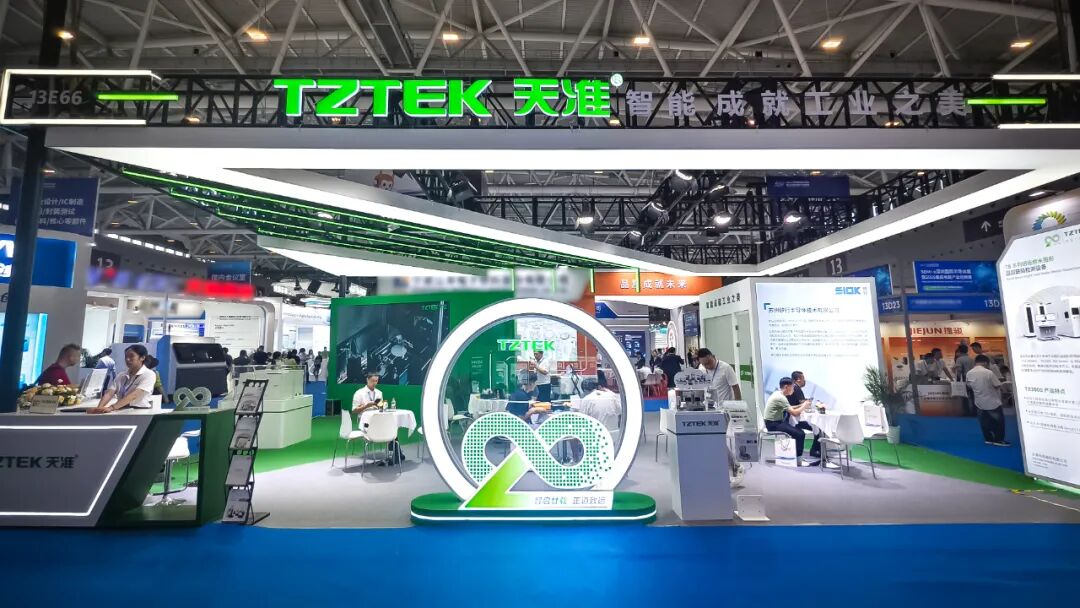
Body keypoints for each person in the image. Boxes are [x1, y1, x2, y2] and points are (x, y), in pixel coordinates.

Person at [763, 377, 820, 466]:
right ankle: (798, 461)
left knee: (797, 430)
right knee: (800, 433)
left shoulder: (778, 394)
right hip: (773, 424)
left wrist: (801, 405)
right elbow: (795, 413)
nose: (793, 389)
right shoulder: (780, 398)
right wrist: (804, 405)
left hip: (774, 422)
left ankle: (795, 457)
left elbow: (789, 407)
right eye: (792, 387)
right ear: (786, 387)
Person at [89, 344, 157, 413]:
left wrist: (112, 407)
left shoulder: (149, 374)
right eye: (126, 357)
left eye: (131, 356)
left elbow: (134, 395)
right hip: (121, 409)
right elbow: (109, 393)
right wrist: (99, 408)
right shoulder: (121, 375)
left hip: (140, 412)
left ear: (142, 358)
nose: (127, 359)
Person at [967, 355, 1009, 446]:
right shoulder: (988, 372)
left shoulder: (969, 373)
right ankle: (998, 440)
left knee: (984, 422)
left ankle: (988, 439)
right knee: (998, 422)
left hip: (979, 401)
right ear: (985, 362)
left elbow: (969, 385)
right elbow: (997, 385)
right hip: (992, 401)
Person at [787, 371, 823, 459]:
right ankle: (815, 450)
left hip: (794, 417)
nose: (805, 381)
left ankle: (815, 450)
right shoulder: (796, 388)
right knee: (819, 426)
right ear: (798, 379)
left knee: (817, 426)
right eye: (803, 378)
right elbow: (803, 404)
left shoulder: (794, 388)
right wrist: (807, 403)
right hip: (795, 419)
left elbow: (800, 403)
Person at [953, 344, 976, 416]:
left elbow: (959, 371)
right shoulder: (972, 359)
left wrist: (958, 381)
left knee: (964, 396)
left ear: (959, 351)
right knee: (973, 396)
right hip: (973, 379)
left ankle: (966, 412)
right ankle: (974, 411)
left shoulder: (959, 359)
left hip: (964, 378)